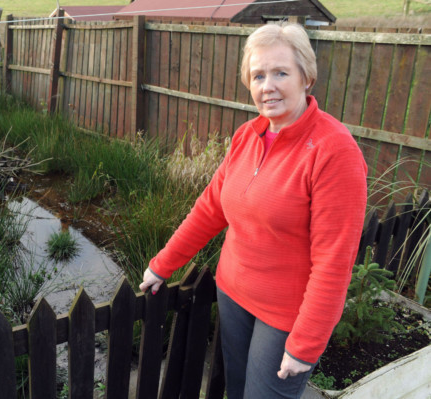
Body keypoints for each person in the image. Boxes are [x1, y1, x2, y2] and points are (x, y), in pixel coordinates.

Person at [139, 22, 367, 399]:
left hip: (285, 315)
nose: (268, 86)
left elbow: (334, 261)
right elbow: (210, 209)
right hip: (233, 294)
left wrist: (305, 344)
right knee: (238, 389)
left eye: (281, 73)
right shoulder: (248, 135)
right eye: (258, 75)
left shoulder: (334, 152)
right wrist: (162, 264)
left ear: (306, 77)